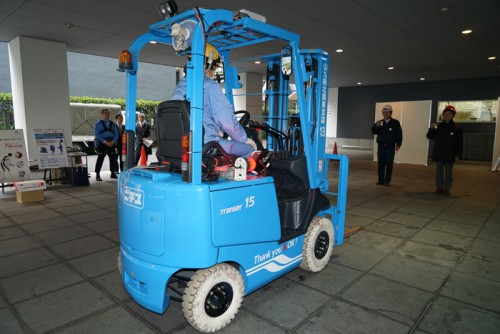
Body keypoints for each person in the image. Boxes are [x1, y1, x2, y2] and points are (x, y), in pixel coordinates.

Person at [171, 43, 256, 158]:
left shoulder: (180, 86)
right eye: (214, 69)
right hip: (206, 144)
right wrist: (244, 139)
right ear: (209, 65)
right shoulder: (210, 86)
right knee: (250, 150)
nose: (213, 72)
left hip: (180, 145)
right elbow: (227, 123)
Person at [426, 105, 463, 195]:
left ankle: (447, 188)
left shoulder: (457, 127)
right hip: (439, 153)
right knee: (439, 172)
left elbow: (460, 142)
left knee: (449, 172)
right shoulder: (438, 126)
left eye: (449, 114)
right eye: (445, 114)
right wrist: (431, 129)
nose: (447, 116)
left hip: (450, 154)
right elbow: (429, 136)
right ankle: (439, 187)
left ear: (453, 115)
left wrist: (458, 154)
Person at [371, 105, 403, 186]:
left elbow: (399, 134)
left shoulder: (395, 123)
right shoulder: (380, 122)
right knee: (380, 164)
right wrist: (376, 126)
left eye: (387, 112)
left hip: (390, 147)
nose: (385, 114)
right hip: (381, 147)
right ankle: (380, 180)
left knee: (389, 164)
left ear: (391, 113)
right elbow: (373, 131)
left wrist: (398, 144)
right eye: (383, 112)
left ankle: (387, 180)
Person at [94, 108, 119, 181]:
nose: (107, 115)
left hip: (111, 142)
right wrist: (105, 142)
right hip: (102, 143)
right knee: (100, 158)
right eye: (105, 113)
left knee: (113, 158)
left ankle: (112, 173)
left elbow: (116, 134)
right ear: (102, 115)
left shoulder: (112, 124)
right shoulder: (98, 123)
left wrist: (113, 142)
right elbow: (97, 134)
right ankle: (97, 174)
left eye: (108, 113)